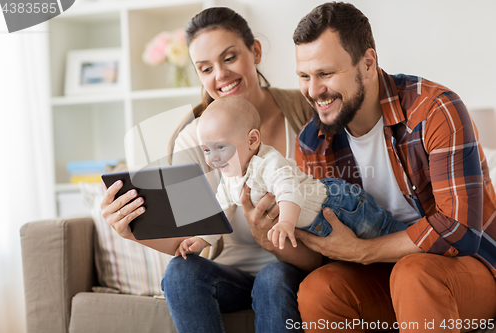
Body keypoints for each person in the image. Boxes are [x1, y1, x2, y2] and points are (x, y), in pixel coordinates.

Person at [100, 7, 320, 333]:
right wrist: (132, 231)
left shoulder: (305, 111)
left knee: (273, 279)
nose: (220, 75)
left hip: (290, 266)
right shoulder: (193, 137)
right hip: (228, 275)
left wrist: (272, 237)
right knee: (179, 272)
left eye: (229, 57)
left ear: (255, 51)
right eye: (205, 68)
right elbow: (188, 238)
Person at [291, 2, 496, 332]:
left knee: (413, 273)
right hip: (382, 274)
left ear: (368, 64)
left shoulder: (435, 110)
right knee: (319, 289)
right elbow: (324, 245)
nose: (314, 91)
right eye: (304, 76)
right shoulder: (313, 140)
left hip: (466, 268)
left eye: (326, 74)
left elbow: (460, 231)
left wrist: (363, 251)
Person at [176, 95, 407, 258]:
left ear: (253, 140)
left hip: (340, 205)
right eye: (206, 150)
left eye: (220, 147)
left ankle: (415, 239)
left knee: (383, 231)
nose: (212, 158)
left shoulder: (267, 162)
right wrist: (203, 239)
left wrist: (285, 222)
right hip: (318, 227)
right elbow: (221, 211)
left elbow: (288, 189)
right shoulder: (230, 179)